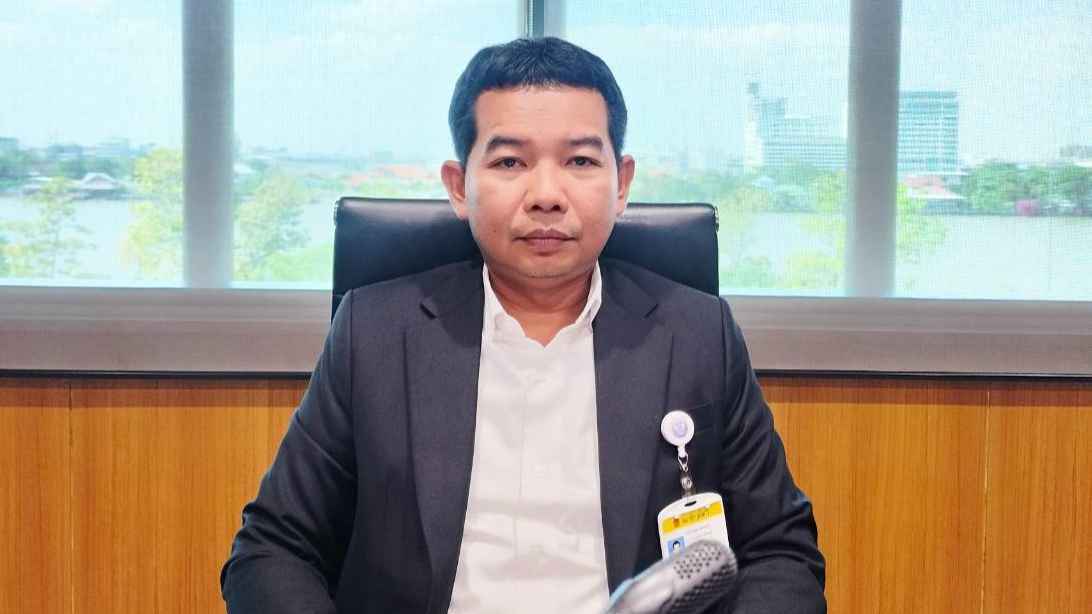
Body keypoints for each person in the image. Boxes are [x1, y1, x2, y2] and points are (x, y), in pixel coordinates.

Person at [221, 37, 825, 614]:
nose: (546, 194)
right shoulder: (374, 334)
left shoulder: (698, 335)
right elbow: (272, 549)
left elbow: (781, 553)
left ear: (622, 184)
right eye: (510, 161)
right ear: (459, 186)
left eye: (580, 160)